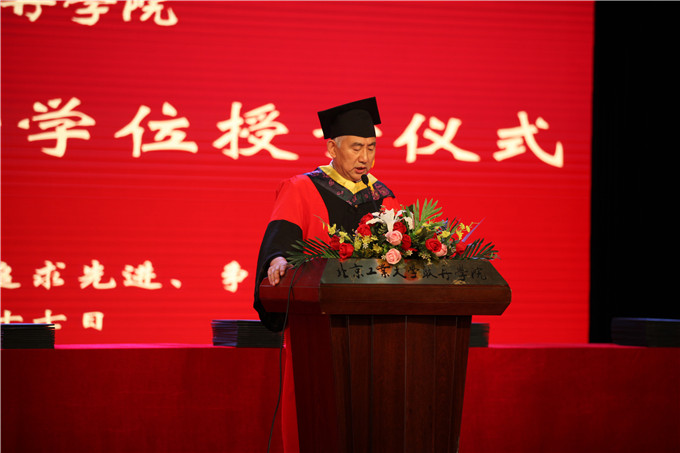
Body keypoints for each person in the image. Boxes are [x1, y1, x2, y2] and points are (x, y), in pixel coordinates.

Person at [253, 97, 398, 452]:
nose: (365, 157)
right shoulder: (301, 188)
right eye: (356, 147)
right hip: (317, 329)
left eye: (371, 147)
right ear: (332, 148)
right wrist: (276, 260)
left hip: (375, 330)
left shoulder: (383, 197)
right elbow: (279, 243)